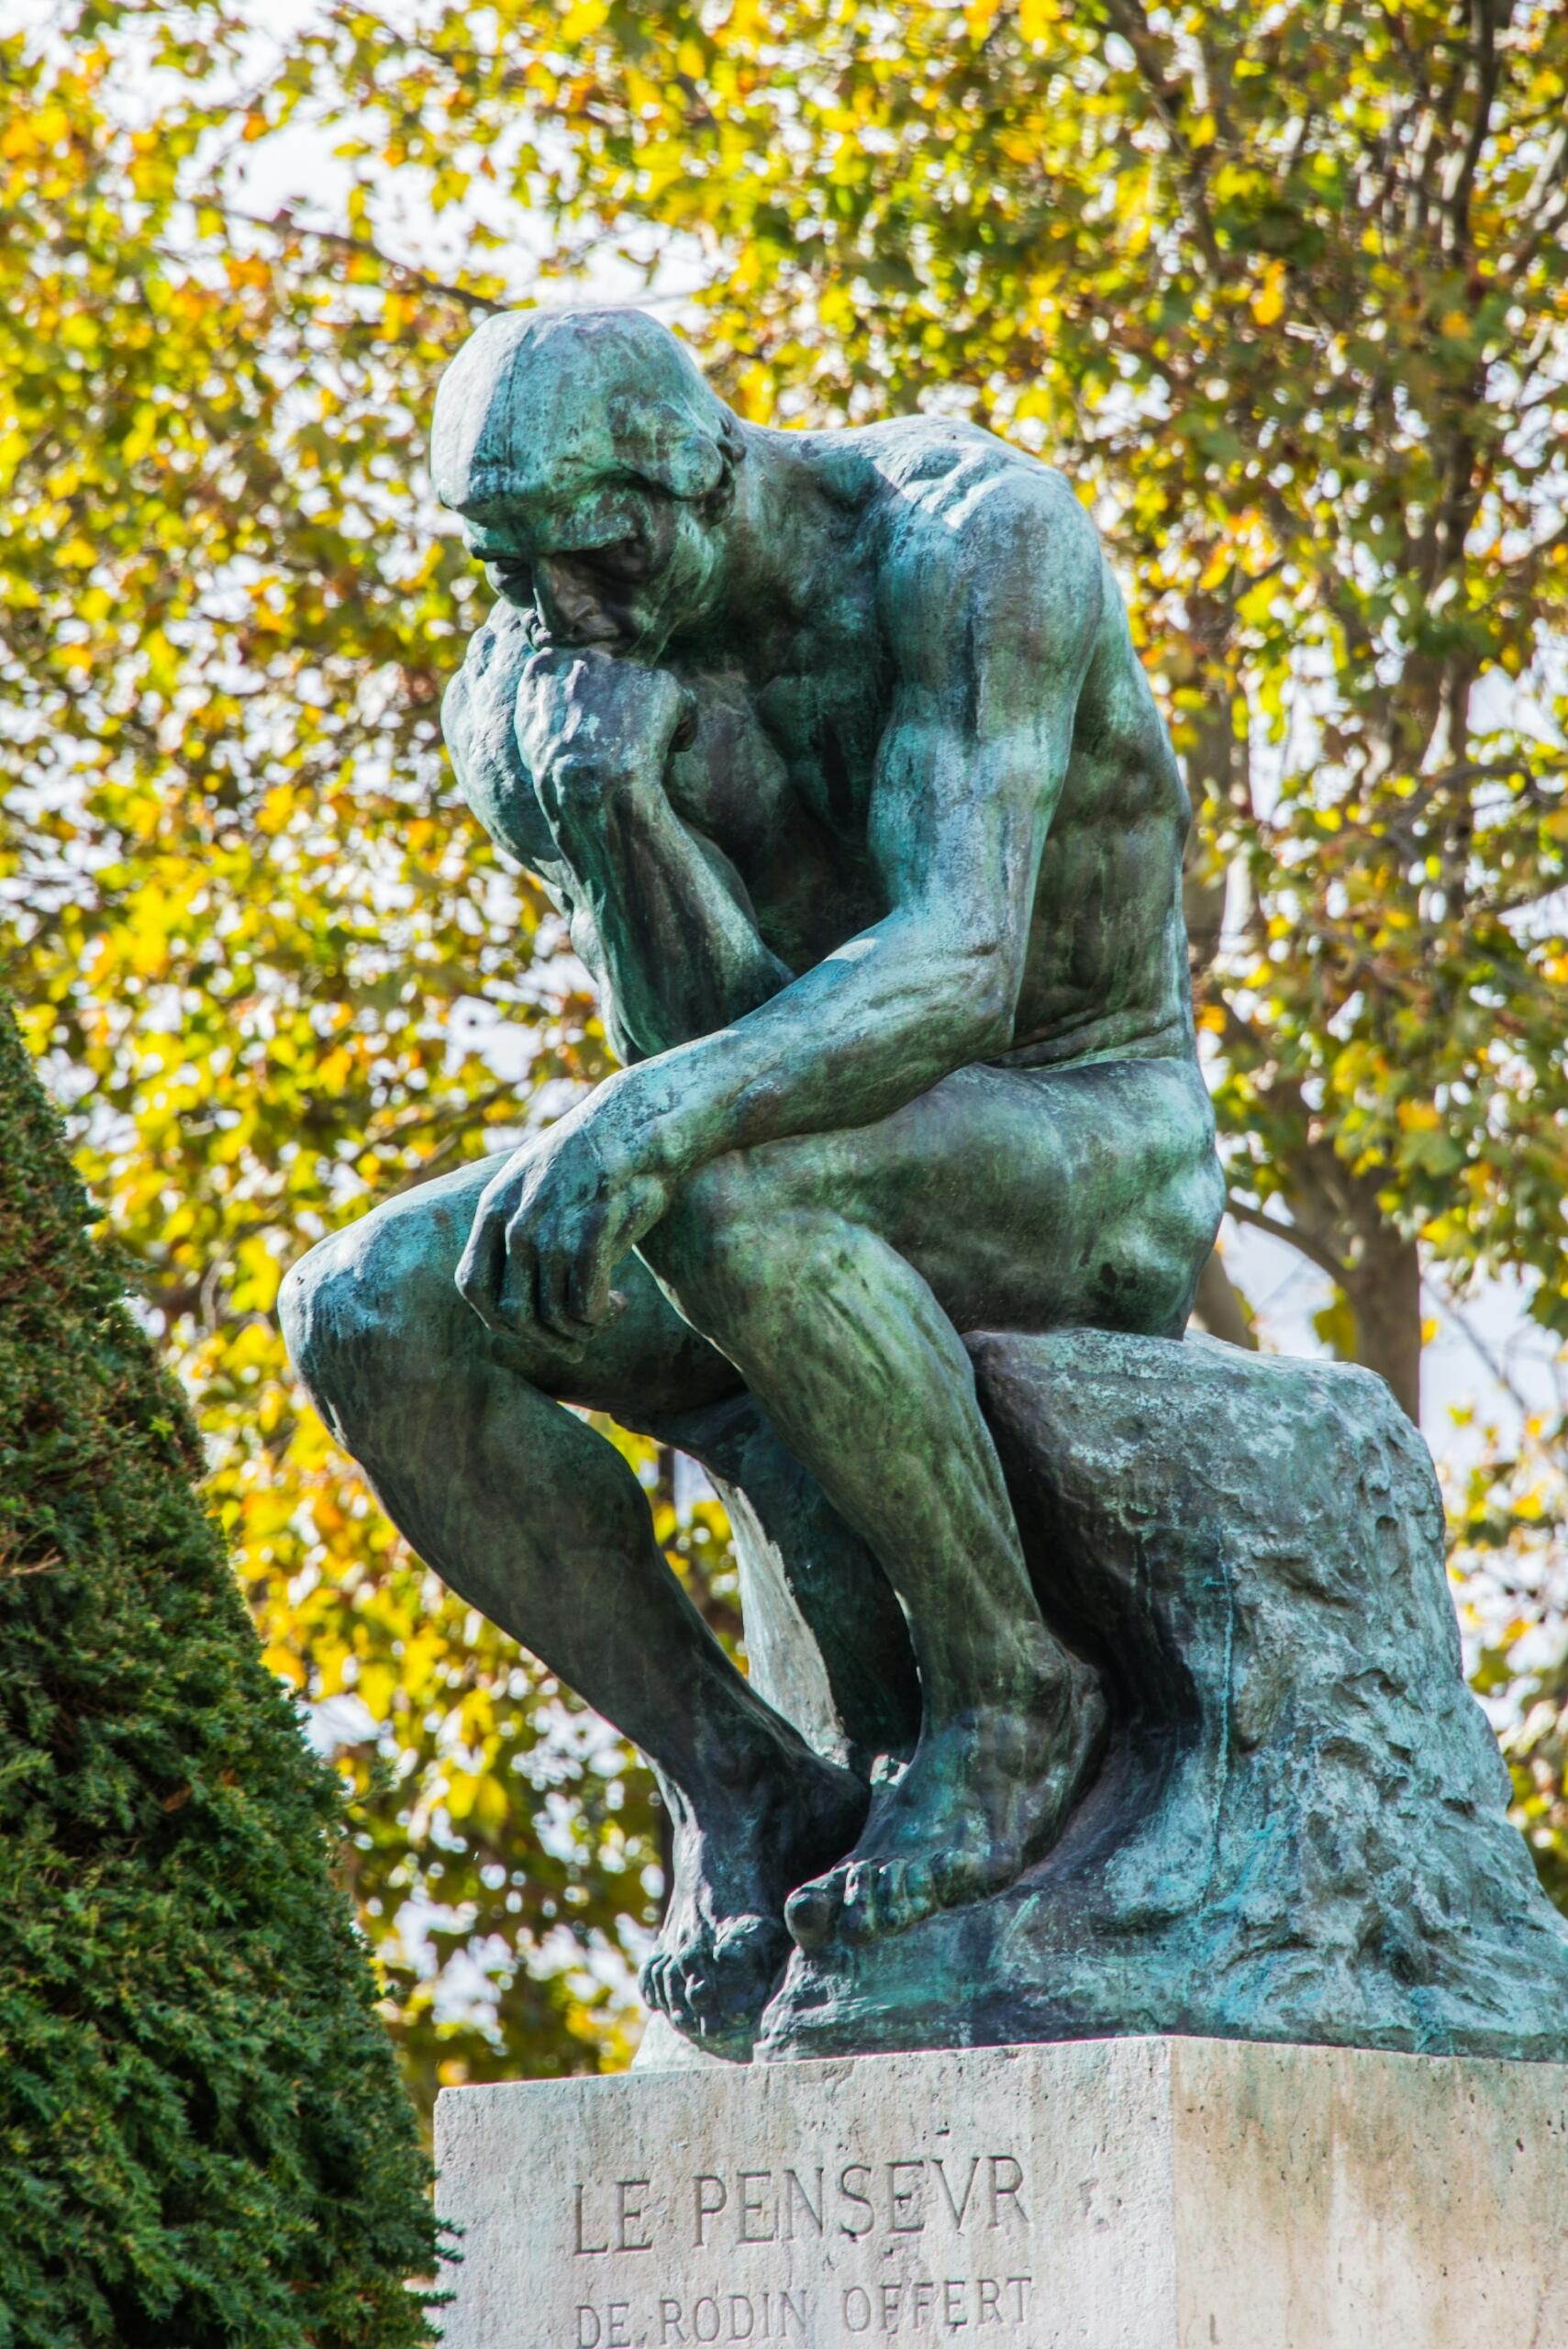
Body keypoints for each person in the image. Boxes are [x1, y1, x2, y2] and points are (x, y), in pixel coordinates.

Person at [281, 307, 1225, 2055]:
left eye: (599, 551)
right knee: (370, 1308)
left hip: (1083, 1131)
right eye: (513, 568)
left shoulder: (969, 546)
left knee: (718, 1186)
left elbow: (962, 963)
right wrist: (616, 818)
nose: (566, 607)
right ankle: (742, 1782)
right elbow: (710, 1037)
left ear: (704, 467)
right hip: (816, 1164)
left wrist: (647, 1126)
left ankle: (1010, 1692)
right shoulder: (535, 691)